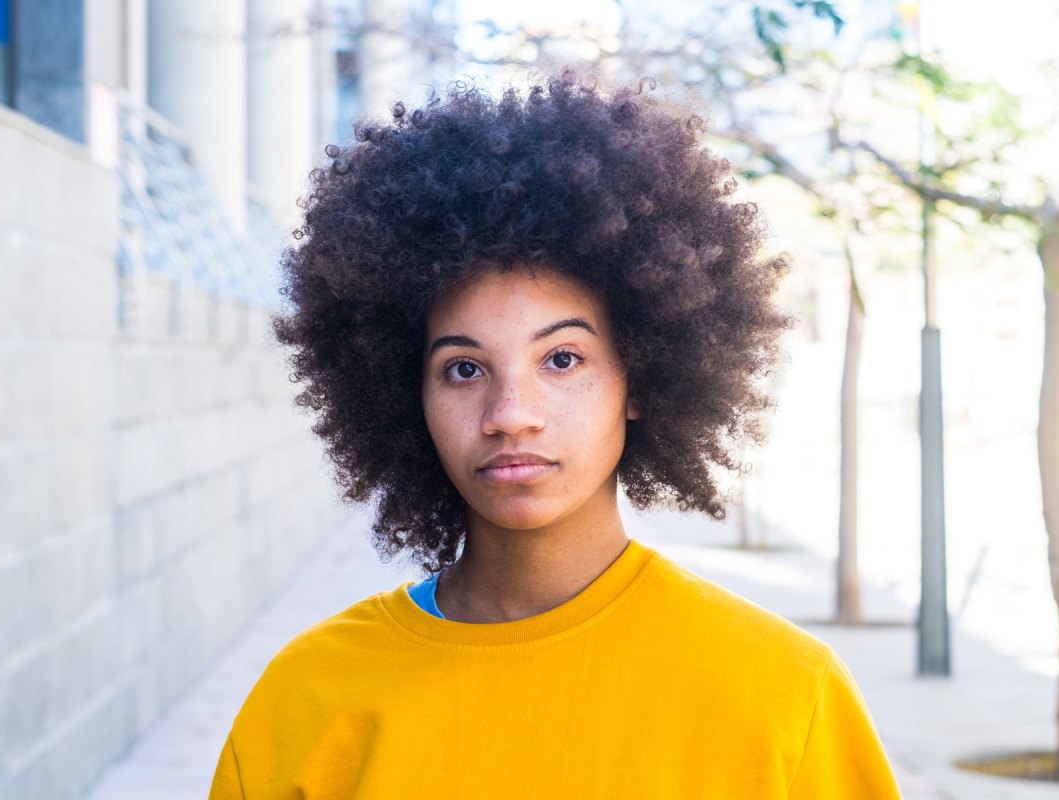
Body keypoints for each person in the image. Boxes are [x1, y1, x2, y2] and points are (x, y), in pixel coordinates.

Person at [208, 71, 903, 799]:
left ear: (640, 375)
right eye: (464, 368)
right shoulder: (307, 698)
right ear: (402, 392)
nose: (511, 412)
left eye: (562, 359)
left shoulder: (783, 695)